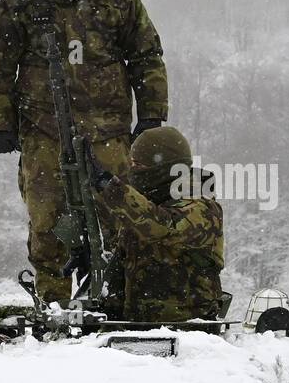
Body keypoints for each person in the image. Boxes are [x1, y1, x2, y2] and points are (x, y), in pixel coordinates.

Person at [0, 0, 168, 305]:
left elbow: (146, 55)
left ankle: (117, 301)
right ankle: (53, 305)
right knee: (48, 223)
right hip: (42, 129)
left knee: (119, 220)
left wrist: (151, 117)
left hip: (110, 131)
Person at [91, 125, 226, 324]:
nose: (133, 170)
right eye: (132, 163)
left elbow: (162, 228)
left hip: (189, 330)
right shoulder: (144, 205)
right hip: (137, 326)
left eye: (139, 165)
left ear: (164, 167)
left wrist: (109, 187)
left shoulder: (202, 207)